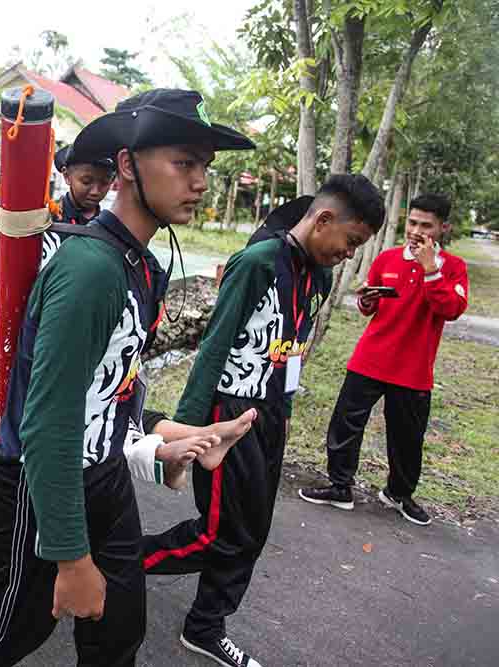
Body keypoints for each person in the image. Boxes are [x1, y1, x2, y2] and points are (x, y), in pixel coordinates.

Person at [0, 89, 256, 667]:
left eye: (205, 168)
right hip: (39, 480)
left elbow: (105, 394)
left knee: (119, 632)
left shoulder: (142, 265)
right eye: (184, 163)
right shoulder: (89, 269)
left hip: (104, 477)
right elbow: (49, 422)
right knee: (14, 629)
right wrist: (70, 558)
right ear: (127, 165)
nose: (199, 183)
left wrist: (161, 439)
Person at [141, 174, 385, 667]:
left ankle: (205, 626)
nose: (350, 254)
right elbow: (213, 350)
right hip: (224, 416)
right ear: (323, 219)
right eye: (351, 242)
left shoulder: (316, 276)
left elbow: (290, 352)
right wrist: (189, 436)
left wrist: (285, 413)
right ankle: (110, 561)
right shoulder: (257, 263)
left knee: (249, 534)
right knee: (217, 535)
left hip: (268, 418)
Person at [299, 193, 468, 526]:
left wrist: (430, 269)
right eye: (413, 222)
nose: (417, 231)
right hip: (370, 358)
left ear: (443, 228)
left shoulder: (454, 268)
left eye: (426, 225)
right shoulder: (387, 259)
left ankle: (399, 494)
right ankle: (340, 486)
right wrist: (367, 299)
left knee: (407, 438)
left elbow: (451, 310)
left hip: (414, 369)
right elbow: (369, 307)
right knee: (346, 424)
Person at [53, 144, 117, 225]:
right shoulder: (48, 218)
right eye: (86, 182)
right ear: (67, 176)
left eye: (104, 183)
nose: (95, 192)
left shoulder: (110, 224)